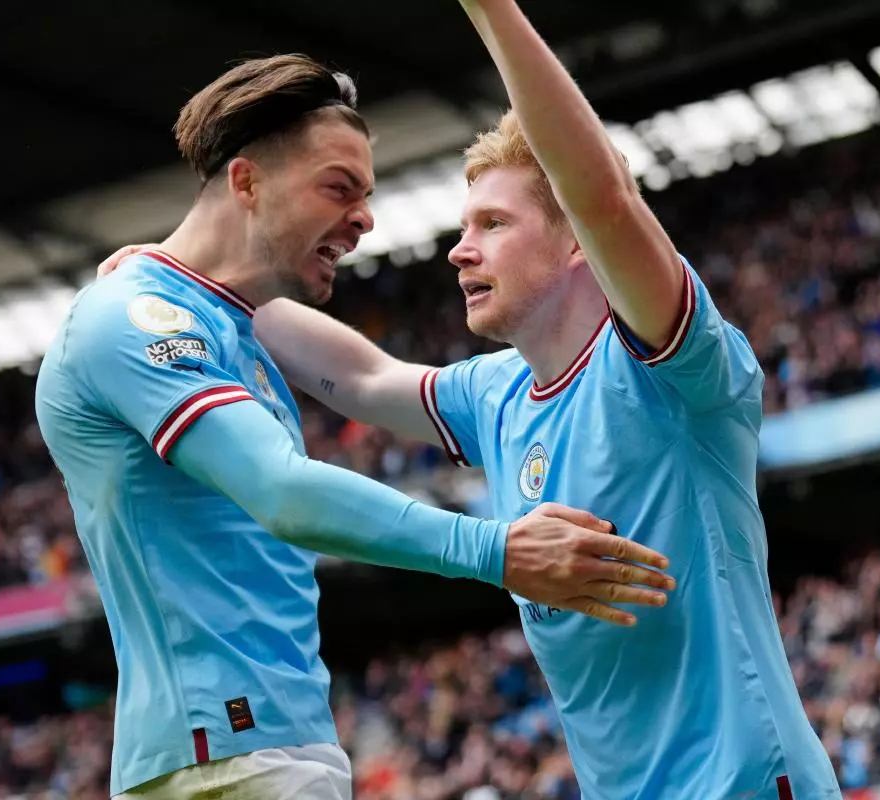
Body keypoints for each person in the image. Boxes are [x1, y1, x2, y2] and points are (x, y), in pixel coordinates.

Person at [105, 3, 846, 796]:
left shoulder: (672, 369)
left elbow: (603, 197)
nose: (460, 249)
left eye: (493, 223)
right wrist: (183, 279)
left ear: (574, 244)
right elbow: (360, 380)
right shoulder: (499, 398)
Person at [37, 54, 675, 800]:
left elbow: (370, 378)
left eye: (367, 196)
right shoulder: (134, 318)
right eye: (339, 187)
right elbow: (283, 493)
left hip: (268, 747)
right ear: (246, 182)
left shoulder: (230, 326)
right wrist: (498, 549)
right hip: (222, 755)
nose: (367, 218)